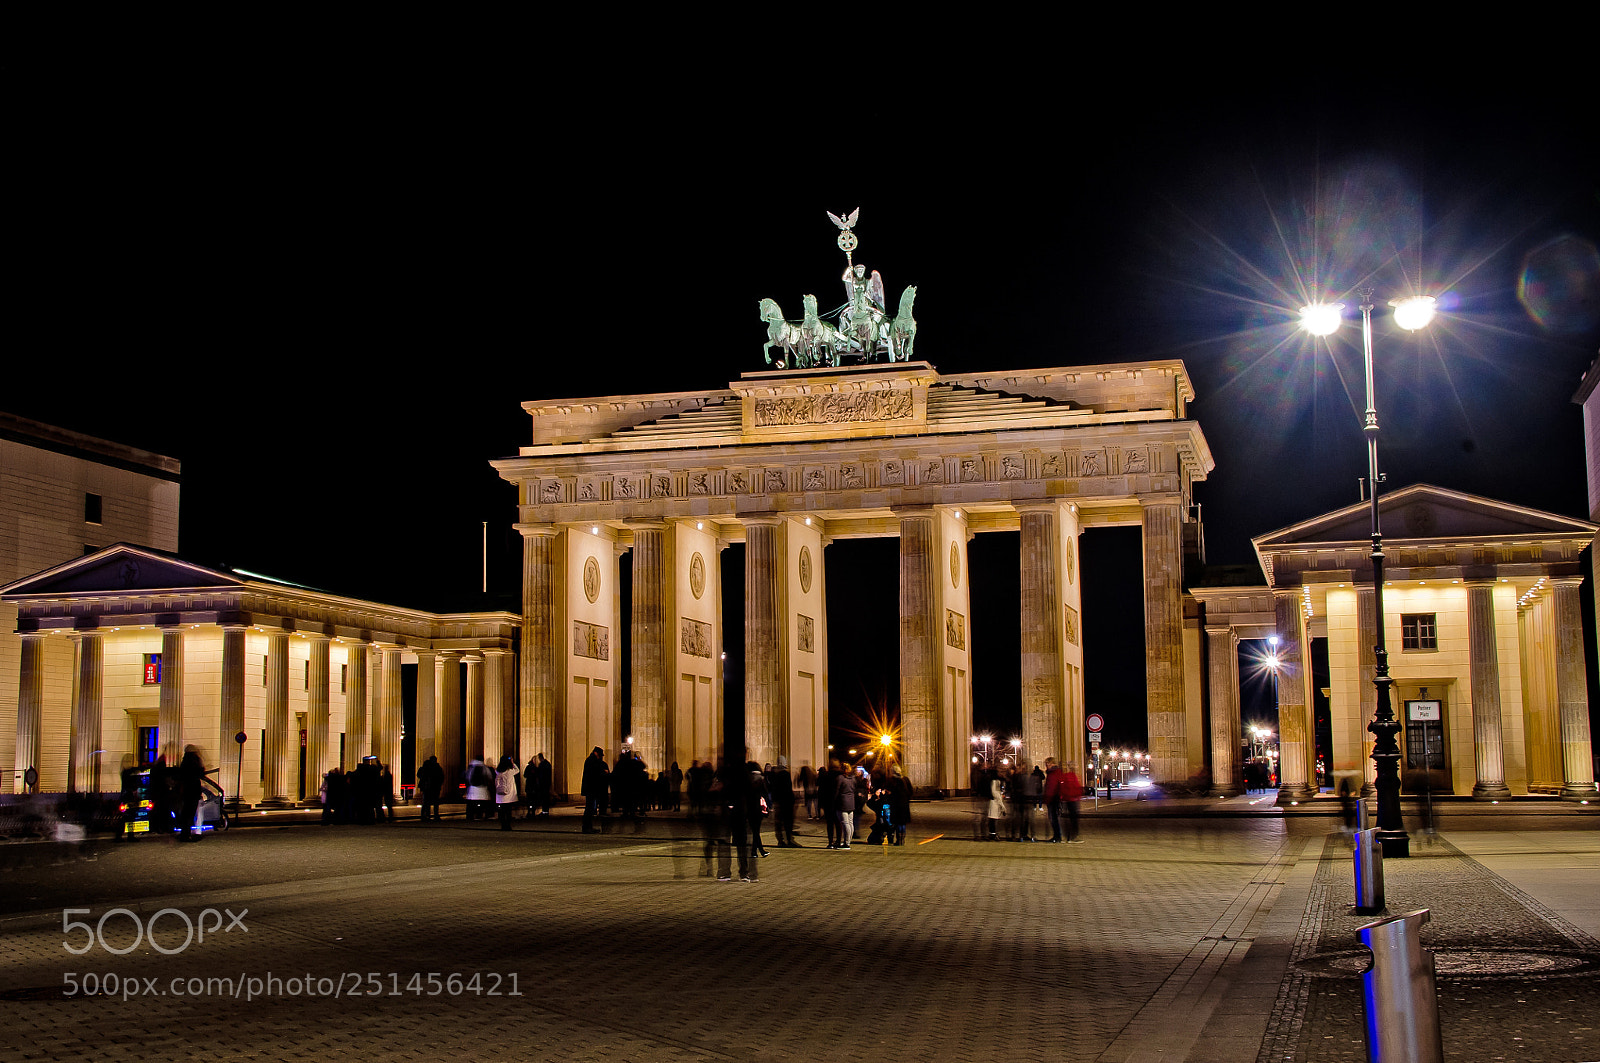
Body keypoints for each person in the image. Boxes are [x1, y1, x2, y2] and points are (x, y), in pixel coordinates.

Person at [178, 746, 205, 841]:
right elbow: (201, 773)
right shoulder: (195, 761)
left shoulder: (184, 762)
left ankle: (184, 833)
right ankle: (187, 834)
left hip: (186, 791)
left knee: (186, 813)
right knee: (190, 813)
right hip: (193, 791)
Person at [768, 757, 797, 847]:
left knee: (778, 822)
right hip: (786, 801)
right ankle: (789, 840)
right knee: (788, 821)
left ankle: (780, 840)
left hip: (777, 801)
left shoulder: (773, 774)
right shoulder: (785, 774)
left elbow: (771, 787)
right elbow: (788, 789)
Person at [581, 746, 608, 833]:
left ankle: (587, 827)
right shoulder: (592, 761)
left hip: (590, 788)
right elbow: (596, 773)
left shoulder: (590, 760)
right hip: (591, 789)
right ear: (597, 753)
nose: (600, 757)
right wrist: (604, 772)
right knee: (589, 808)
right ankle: (587, 827)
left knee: (590, 808)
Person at [885, 766, 912, 846]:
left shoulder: (893, 781)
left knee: (897, 823)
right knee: (902, 823)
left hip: (896, 804)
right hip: (904, 804)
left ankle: (898, 840)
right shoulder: (905, 779)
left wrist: (889, 795)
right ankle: (902, 839)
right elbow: (910, 791)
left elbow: (891, 792)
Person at [494, 755, 521, 831]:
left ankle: (503, 825)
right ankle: (508, 826)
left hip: (500, 794)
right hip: (509, 794)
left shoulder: (498, 771)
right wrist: (512, 763)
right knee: (508, 811)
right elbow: (517, 770)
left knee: (502, 811)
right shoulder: (510, 771)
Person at [834, 761, 856, 850]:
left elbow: (837, 790)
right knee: (850, 823)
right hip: (851, 801)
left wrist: (834, 800)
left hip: (842, 802)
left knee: (845, 823)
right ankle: (848, 841)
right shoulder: (853, 778)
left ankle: (846, 844)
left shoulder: (840, 778)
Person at [416, 755, 444, 822]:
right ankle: (435, 815)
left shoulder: (425, 768)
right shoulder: (437, 768)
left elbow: (419, 775)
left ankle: (425, 815)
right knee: (435, 802)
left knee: (426, 802)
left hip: (427, 788)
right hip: (435, 787)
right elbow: (441, 777)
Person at [464, 757, 493, 821]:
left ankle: (470, 816)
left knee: (471, 804)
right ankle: (480, 815)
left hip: (472, 789)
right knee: (482, 804)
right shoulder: (485, 768)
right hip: (483, 789)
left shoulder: (471, 768)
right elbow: (489, 777)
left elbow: (467, 778)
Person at [1062, 761, 1083, 842]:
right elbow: (1077, 787)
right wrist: (1078, 795)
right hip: (1073, 800)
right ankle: (1073, 836)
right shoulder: (1074, 776)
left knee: (1068, 819)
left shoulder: (1066, 776)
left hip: (1067, 799)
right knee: (1074, 819)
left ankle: (1068, 836)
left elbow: (1063, 787)